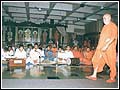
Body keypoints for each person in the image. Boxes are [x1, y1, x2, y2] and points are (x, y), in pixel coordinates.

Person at [85, 13, 118, 83]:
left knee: (111, 63)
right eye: (103, 18)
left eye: (105, 18)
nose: (104, 20)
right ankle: (94, 75)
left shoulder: (113, 26)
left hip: (109, 48)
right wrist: (99, 46)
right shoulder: (104, 27)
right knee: (96, 60)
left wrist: (106, 45)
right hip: (100, 48)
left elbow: (113, 37)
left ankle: (112, 77)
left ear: (109, 18)